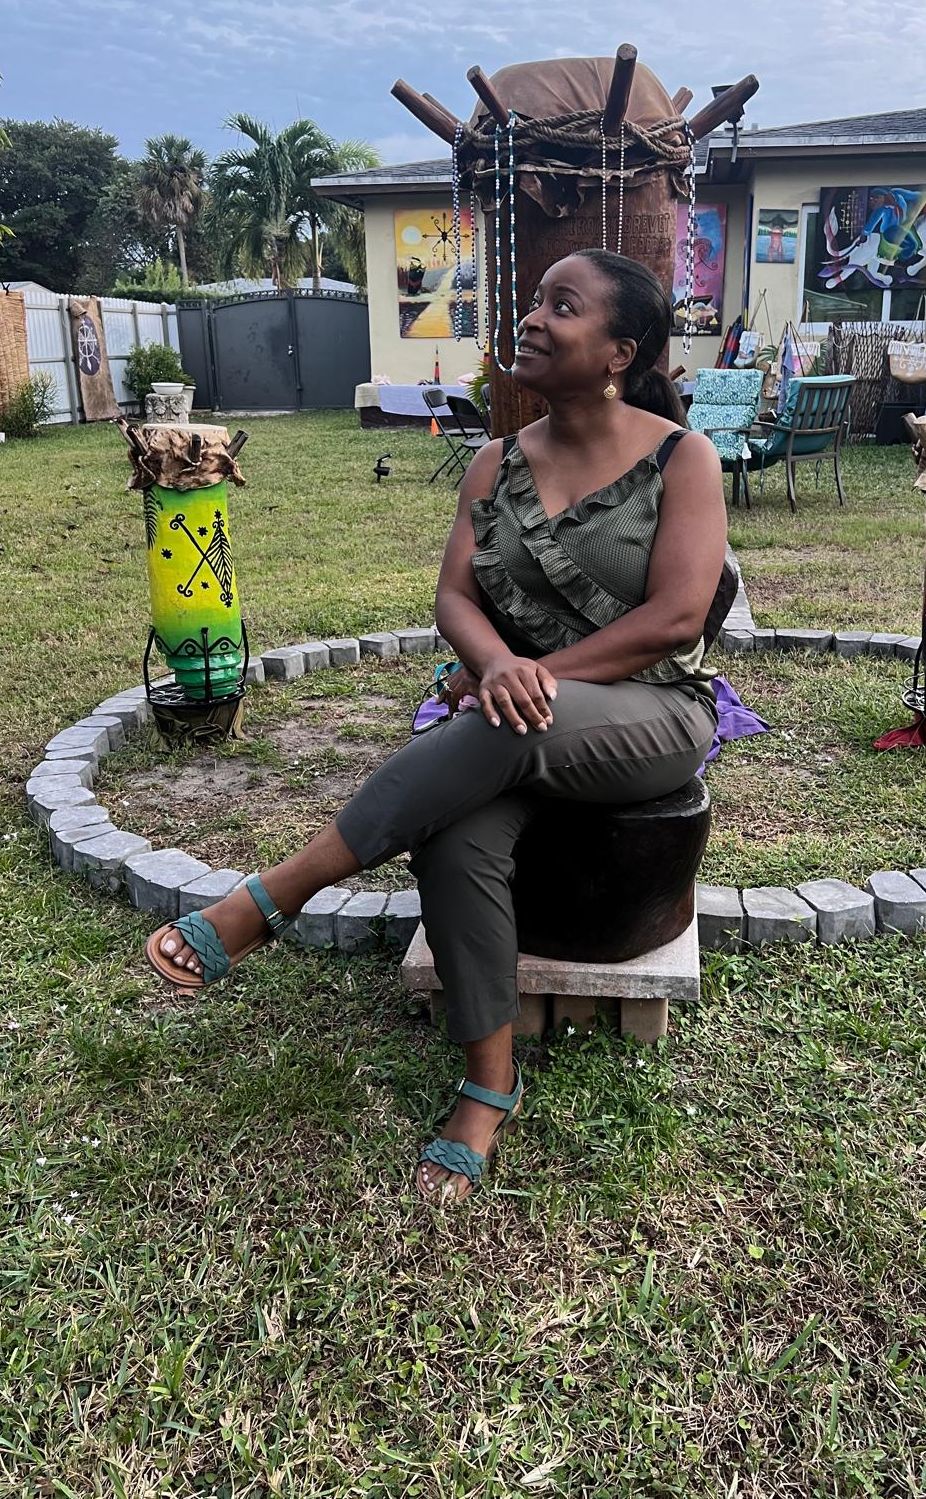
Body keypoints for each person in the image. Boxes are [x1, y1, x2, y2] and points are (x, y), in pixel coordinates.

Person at [144, 249, 729, 1204]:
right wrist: (494, 663)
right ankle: (490, 1081)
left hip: (654, 710)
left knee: (510, 727)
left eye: (563, 306)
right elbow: (454, 596)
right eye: (533, 300)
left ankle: (274, 896)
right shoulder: (497, 461)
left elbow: (675, 617)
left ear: (620, 352)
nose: (532, 318)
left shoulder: (680, 458)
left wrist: (527, 673)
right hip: (515, 704)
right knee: (455, 836)